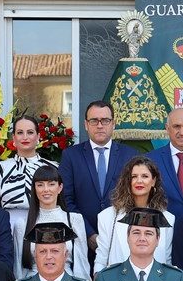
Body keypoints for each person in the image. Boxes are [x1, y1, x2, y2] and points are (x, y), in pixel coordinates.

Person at [59, 99, 139, 235]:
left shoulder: (130, 156)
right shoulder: (71, 156)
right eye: (94, 121)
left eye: (105, 120)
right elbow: (65, 199)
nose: (100, 125)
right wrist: (88, 234)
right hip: (81, 236)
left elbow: (137, 197)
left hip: (121, 235)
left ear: (113, 124)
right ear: (86, 124)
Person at [94, 156, 174, 273]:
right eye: (134, 177)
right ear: (128, 181)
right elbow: (101, 259)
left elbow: (166, 260)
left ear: (153, 181)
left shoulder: (168, 219)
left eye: (145, 176)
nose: (139, 181)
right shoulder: (107, 217)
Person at [19, 163, 91, 281]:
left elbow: (81, 263)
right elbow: (19, 267)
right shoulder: (23, 224)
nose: (46, 190)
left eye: (51, 184)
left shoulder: (74, 220)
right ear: (35, 188)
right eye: (40, 185)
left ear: (60, 187)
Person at [0, 114, 47, 248]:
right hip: (8, 229)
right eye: (20, 133)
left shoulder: (52, 167)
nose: (25, 137)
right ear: (14, 138)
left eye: (30, 132)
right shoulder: (0, 168)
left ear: (38, 137)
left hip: (43, 228)